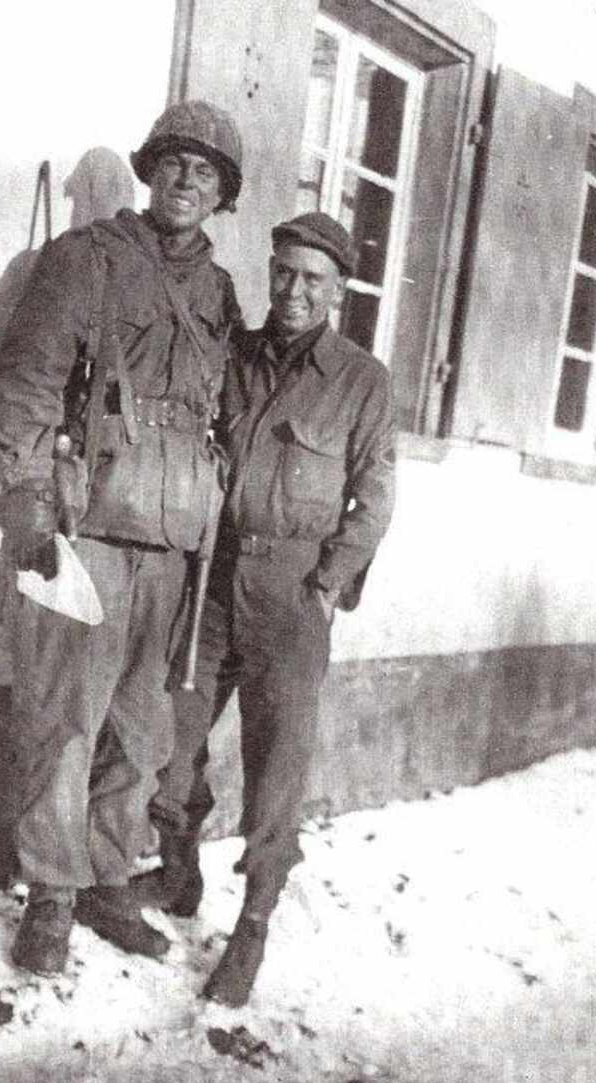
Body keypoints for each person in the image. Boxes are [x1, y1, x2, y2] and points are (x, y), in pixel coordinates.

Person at [0, 101, 243, 976]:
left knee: (141, 729)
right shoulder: (84, 260)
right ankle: (51, 897)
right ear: (148, 171)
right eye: (174, 163)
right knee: (68, 718)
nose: (186, 181)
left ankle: (103, 877)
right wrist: (23, 492)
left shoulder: (218, 291)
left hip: (175, 543)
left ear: (221, 194)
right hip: (90, 523)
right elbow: (26, 381)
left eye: (205, 172)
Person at [135, 211, 397, 1006]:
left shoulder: (362, 379)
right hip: (214, 581)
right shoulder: (237, 355)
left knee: (276, 770)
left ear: (337, 291)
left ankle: (252, 923)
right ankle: (179, 873)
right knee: (173, 740)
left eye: (312, 279)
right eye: (284, 273)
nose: (293, 290)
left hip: (291, 596)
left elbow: (376, 498)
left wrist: (323, 586)